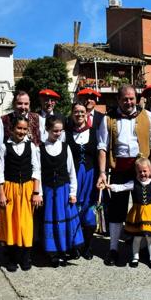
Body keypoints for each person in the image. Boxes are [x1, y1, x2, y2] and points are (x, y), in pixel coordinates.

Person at [96, 85, 151, 266]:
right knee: (117, 211)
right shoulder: (108, 118)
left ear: (137, 98)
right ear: (118, 100)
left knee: (144, 208)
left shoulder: (147, 116)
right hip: (119, 169)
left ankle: (144, 250)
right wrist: (102, 172)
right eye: (125, 99)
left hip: (142, 169)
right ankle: (114, 249)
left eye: (132, 98)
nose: (129, 102)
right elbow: (102, 147)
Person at [0, 115, 42, 272]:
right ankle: (11, 258)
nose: (21, 131)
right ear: (12, 129)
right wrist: (1, 194)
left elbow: (36, 170)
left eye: (24, 129)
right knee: (11, 223)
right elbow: (0, 172)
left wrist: (36, 192)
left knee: (26, 224)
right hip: (10, 188)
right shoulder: (4, 147)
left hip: (28, 189)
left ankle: (25, 257)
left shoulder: (32, 147)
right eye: (19, 128)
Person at [41, 115, 83, 267]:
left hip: (63, 190)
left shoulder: (65, 147)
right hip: (48, 191)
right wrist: (39, 193)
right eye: (54, 131)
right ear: (47, 129)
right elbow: (38, 173)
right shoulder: (40, 148)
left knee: (64, 222)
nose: (58, 133)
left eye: (60, 131)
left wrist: (73, 193)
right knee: (52, 222)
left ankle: (64, 250)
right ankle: (53, 253)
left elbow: (72, 172)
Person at [110, 157, 151, 269]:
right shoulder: (133, 183)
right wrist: (109, 186)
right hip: (137, 214)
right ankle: (135, 257)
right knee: (137, 237)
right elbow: (121, 187)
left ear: (150, 170)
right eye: (140, 171)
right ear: (136, 171)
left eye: (145, 171)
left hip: (150, 214)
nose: (142, 173)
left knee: (150, 237)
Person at [65, 102, 100, 259]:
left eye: (82, 112)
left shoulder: (94, 132)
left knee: (89, 212)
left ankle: (88, 246)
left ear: (87, 113)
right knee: (73, 210)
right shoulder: (67, 133)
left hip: (90, 177)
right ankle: (74, 245)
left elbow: (101, 155)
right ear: (72, 114)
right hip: (74, 178)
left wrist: (102, 175)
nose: (79, 114)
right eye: (76, 112)